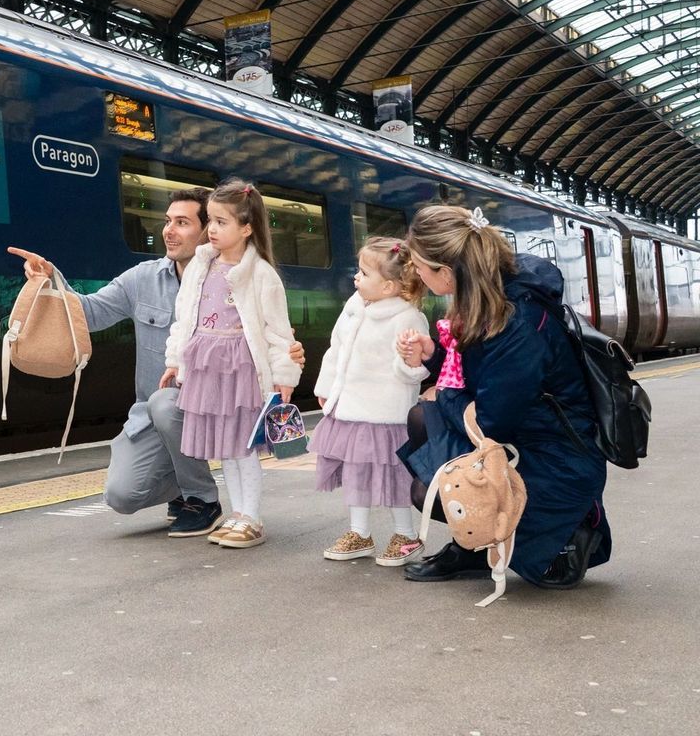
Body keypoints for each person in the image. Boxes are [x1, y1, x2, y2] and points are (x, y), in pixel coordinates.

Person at [8, 188, 306, 538]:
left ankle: (204, 501)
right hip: (162, 416)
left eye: (183, 223)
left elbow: (271, 330)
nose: (169, 230)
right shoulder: (147, 278)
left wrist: (283, 367)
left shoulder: (252, 275)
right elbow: (88, 312)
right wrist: (49, 278)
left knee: (195, 422)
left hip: (216, 391)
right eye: (167, 221)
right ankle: (185, 486)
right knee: (121, 493)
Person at [395, 204, 612, 589]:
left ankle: (568, 532)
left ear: (446, 272)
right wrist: (436, 356)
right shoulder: (493, 294)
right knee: (421, 422)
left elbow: (494, 419)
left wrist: (443, 394)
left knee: (428, 479)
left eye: (421, 268)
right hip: (528, 438)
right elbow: (483, 372)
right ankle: (474, 546)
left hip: (557, 461)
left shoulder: (518, 322)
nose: (417, 276)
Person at [160, 180, 302, 549]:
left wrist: (283, 378)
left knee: (243, 446)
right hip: (206, 366)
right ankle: (237, 513)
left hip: (241, 369)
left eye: (222, 222)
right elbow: (183, 317)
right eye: (210, 221)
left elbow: (277, 332)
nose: (212, 230)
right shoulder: (201, 265)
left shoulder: (261, 274)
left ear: (247, 228)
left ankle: (252, 517)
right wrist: (175, 360)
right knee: (226, 447)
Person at [310, 237, 430, 566]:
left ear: (389, 286)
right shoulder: (354, 307)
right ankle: (359, 533)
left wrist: (410, 360)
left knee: (394, 477)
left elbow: (412, 374)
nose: (356, 278)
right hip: (349, 410)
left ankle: (406, 535)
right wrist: (326, 386)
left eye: (363, 273)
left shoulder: (408, 319)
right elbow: (335, 352)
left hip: (386, 416)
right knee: (356, 475)